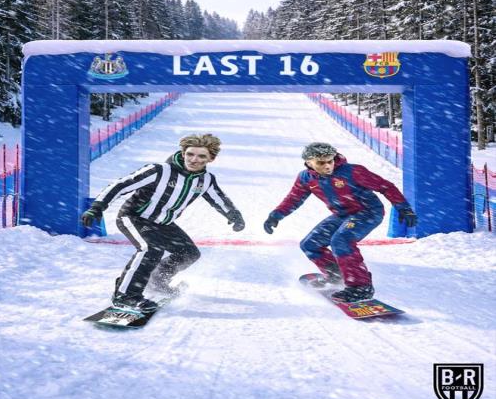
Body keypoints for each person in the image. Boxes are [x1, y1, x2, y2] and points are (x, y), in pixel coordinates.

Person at [82, 133, 245, 312]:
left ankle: (157, 280)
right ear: (183, 153)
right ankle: (125, 296)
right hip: (134, 216)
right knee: (151, 249)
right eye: (190, 154)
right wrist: (97, 207)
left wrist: (234, 215)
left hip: (163, 223)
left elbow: (218, 198)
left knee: (188, 253)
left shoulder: (205, 180)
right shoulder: (159, 171)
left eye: (201, 156)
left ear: (210, 159)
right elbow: (121, 185)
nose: (194, 159)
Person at [263, 142, 417, 303]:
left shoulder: (353, 172)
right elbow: (294, 198)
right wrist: (276, 215)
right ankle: (336, 275)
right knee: (310, 244)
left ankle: (361, 287)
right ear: (309, 163)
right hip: (342, 214)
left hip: (367, 213)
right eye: (321, 163)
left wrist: (404, 208)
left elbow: (386, 186)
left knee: (341, 240)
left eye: (330, 161)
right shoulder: (306, 178)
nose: (328, 166)